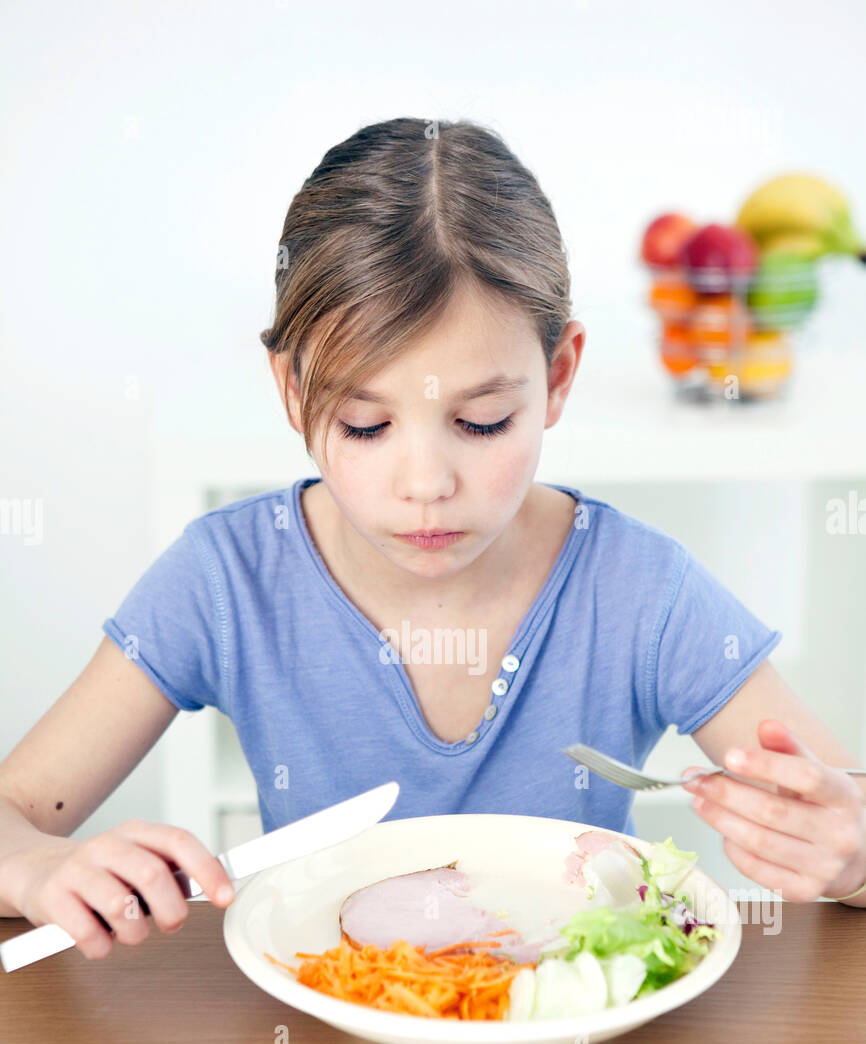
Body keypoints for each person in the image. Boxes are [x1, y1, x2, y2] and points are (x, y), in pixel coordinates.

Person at [1, 117, 864, 962]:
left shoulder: (641, 590)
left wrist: (847, 852)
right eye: (365, 425)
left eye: (482, 422)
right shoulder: (227, 579)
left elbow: (843, 813)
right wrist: (39, 867)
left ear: (558, 376)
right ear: (292, 391)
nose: (426, 484)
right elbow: (16, 813)